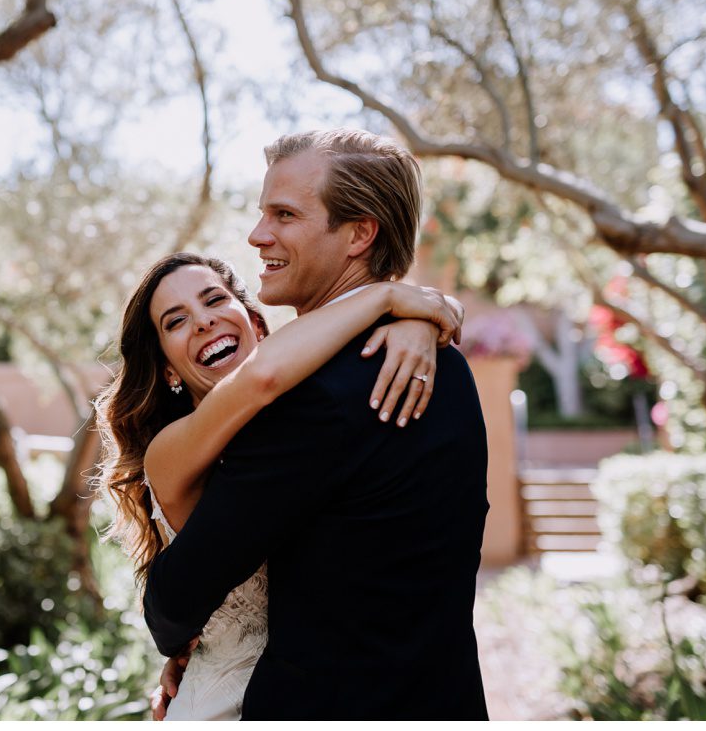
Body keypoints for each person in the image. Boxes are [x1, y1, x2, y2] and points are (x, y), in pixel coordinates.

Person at [141, 128, 490, 720]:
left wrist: (188, 645)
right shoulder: (444, 363)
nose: (257, 235)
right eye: (262, 213)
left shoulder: (314, 399)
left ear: (359, 234)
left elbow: (175, 602)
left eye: (284, 214)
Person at [95, 252, 462, 720]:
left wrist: (422, 321)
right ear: (168, 369)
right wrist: (389, 297)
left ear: (256, 325)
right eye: (176, 321)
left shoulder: (304, 424)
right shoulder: (169, 451)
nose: (204, 321)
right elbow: (261, 378)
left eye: (214, 300)